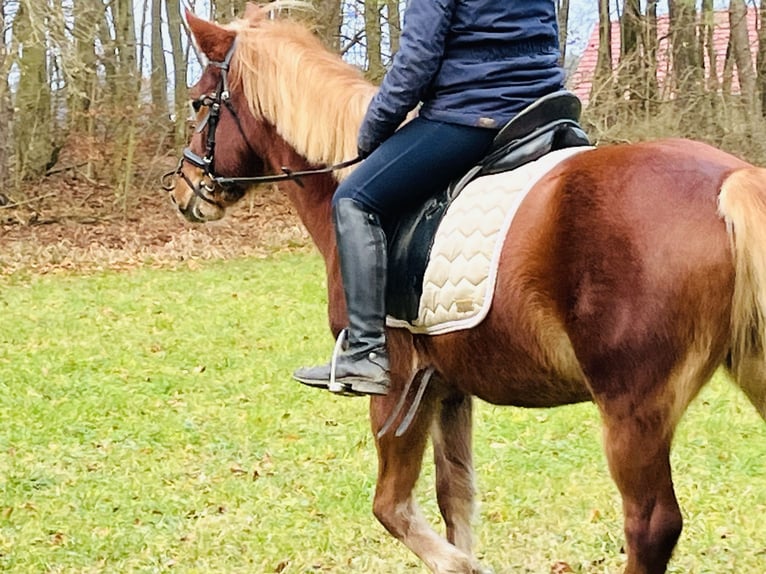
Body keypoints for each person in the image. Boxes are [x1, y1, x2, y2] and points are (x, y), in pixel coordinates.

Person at [293, 0, 565, 396]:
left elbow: (417, 61)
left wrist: (373, 129)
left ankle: (365, 351)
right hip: (543, 111)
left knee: (353, 199)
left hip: (473, 116)